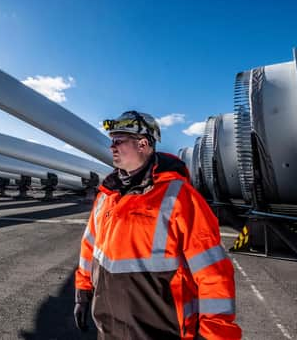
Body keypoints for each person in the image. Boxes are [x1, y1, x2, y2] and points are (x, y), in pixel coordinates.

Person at [74, 111, 242, 339]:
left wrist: (214, 334)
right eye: (111, 141)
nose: (112, 147)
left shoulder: (180, 197)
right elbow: (89, 248)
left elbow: (213, 272)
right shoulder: (107, 195)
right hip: (109, 327)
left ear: (143, 144)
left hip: (161, 328)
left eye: (119, 141)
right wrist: (83, 291)